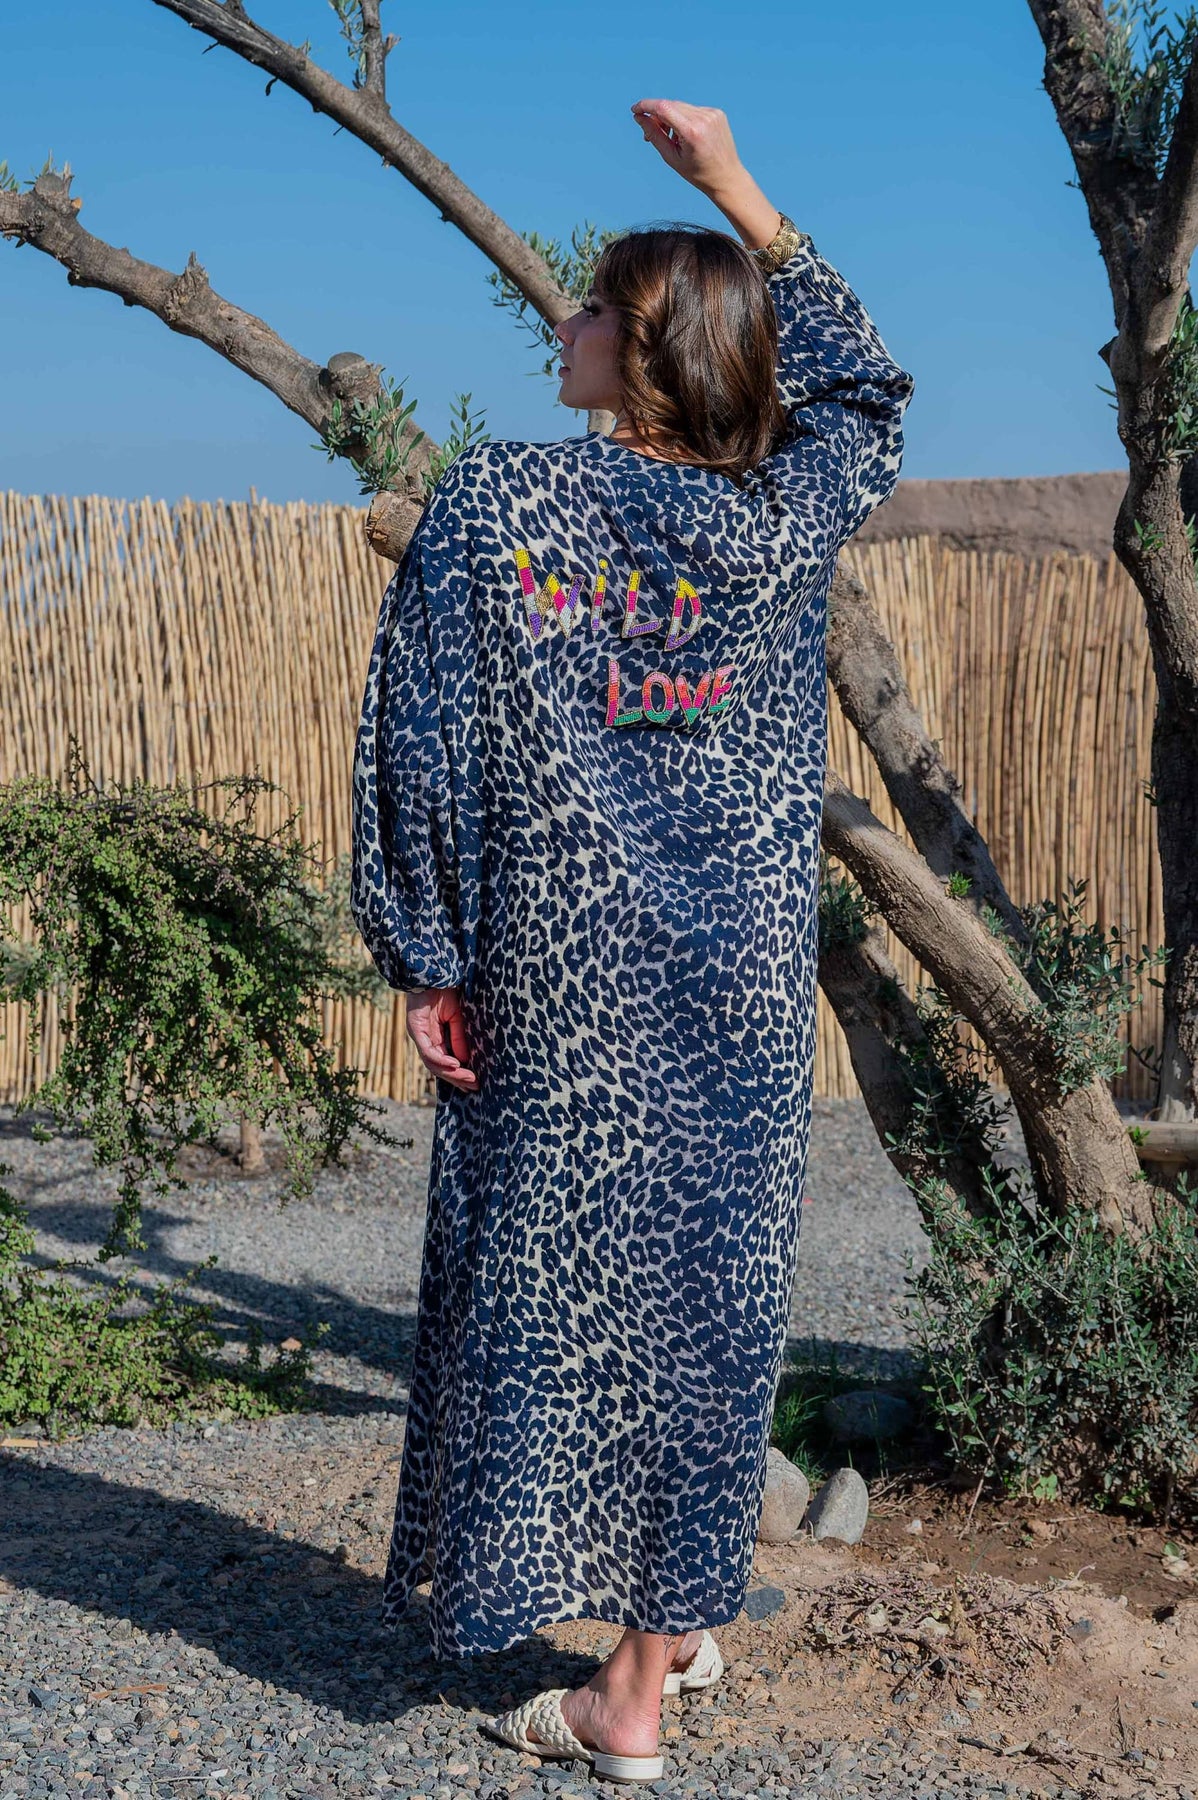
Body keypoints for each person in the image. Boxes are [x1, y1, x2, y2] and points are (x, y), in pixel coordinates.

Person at [351, 96, 914, 1784]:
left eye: (594, 307)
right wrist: (738, 182)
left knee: (545, 1291)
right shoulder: (779, 521)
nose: (567, 325)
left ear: (654, 349)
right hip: (731, 987)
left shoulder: (501, 505)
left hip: (556, 978)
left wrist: (425, 951)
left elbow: (420, 739)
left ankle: (629, 1699)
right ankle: (666, 1629)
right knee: (706, 1308)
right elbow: (867, 393)